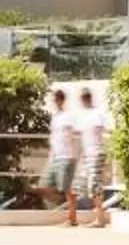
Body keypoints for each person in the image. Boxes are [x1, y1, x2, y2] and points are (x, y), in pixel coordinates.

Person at [73, 85, 112, 229]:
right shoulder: (84, 116)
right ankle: (98, 217)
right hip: (88, 155)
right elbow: (80, 133)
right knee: (88, 186)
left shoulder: (97, 114)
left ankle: (99, 219)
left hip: (96, 153)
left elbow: (107, 129)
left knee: (94, 185)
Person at [41, 86, 79, 218]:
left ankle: (72, 217)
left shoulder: (69, 116)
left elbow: (76, 133)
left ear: (62, 100)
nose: (56, 102)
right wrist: (51, 156)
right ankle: (69, 207)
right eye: (55, 99)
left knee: (66, 189)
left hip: (67, 156)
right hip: (56, 157)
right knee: (45, 186)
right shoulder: (55, 117)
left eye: (58, 99)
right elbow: (53, 137)